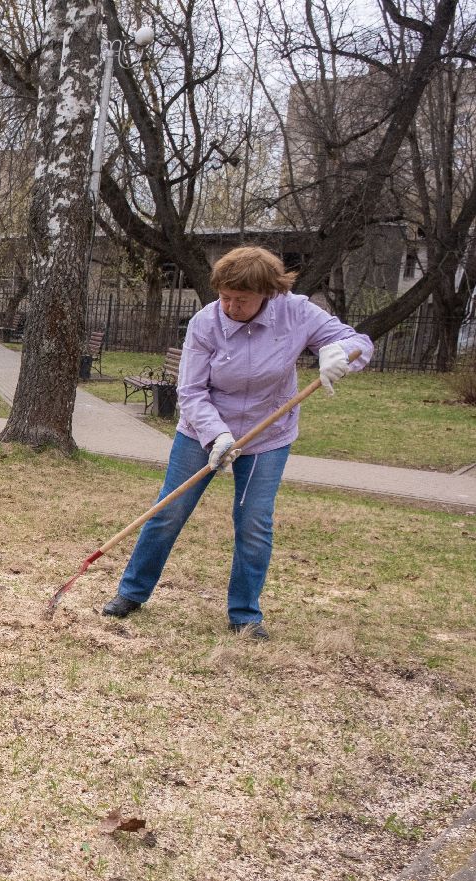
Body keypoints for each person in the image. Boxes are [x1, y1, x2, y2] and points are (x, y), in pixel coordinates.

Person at [101, 246, 372, 638]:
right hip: (202, 431)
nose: (230, 306)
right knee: (169, 511)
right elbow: (191, 391)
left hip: (268, 435)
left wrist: (339, 352)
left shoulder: (296, 312)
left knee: (253, 523)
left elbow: (358, 342)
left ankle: (245, 613)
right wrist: (218, 435)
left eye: (241, 299)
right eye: (224, 297)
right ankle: (132, 592)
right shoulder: (205, 323)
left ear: (268, 293)